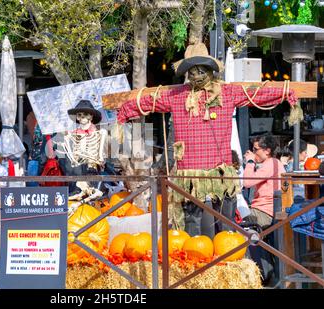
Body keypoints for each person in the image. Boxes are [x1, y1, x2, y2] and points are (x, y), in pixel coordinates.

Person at [116, 42, 301, 237]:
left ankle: (225, 259)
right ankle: (197, 261)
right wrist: (124, 113)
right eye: (192, 71)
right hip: (190, 176)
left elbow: (257, 93)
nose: (197, 75)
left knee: (224, 226)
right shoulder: (177, 95)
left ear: (210, 70)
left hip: (220, 173)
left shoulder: (227, 92)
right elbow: (147, 101)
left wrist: (287, 92)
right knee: (193, 227)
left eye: (201, 69)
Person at [243, 134, 285, 230]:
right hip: (264, 210)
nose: (253, 153)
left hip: (265, 213)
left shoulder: (271, 163)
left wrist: (250, 161)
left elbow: (247, 182)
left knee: (231, 216)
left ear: (267, 151)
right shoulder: (273, 163)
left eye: (255, 149)